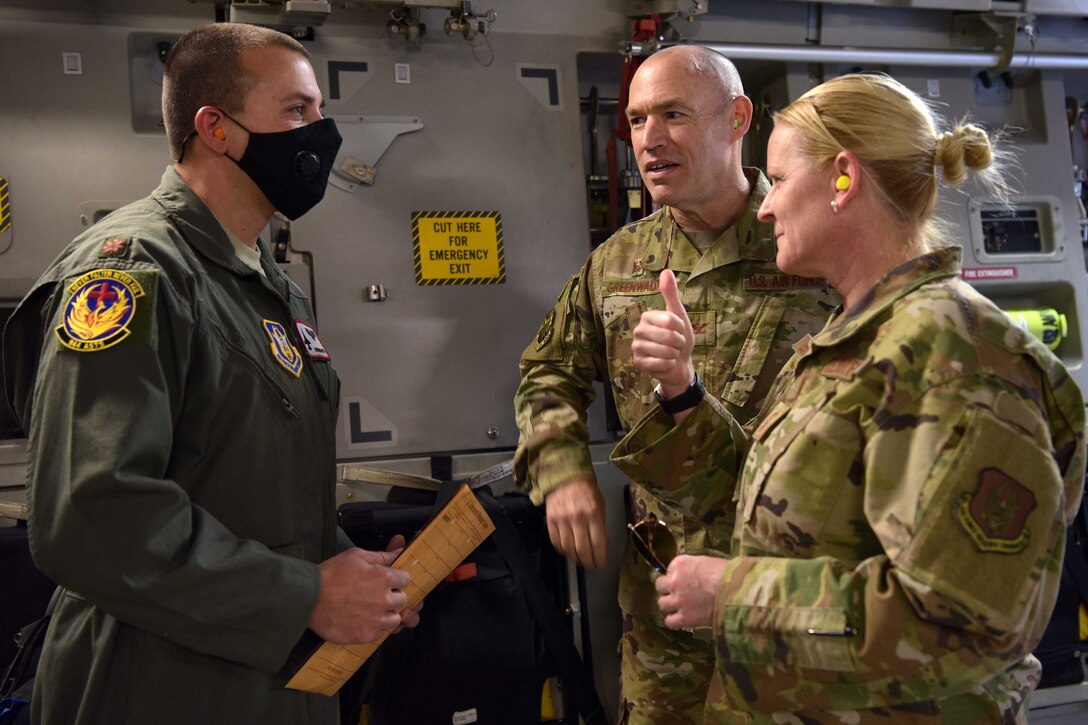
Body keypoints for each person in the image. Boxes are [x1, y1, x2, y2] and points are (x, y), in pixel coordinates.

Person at [613, 72, 1087, 722]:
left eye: (779, 180)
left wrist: (733, 594)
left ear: (843, 178)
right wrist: (684, 391)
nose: (765, 207)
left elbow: (964, 622)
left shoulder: (949, 353)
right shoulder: (859, 334)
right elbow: (795, 509)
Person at [1, 23, 418, 725]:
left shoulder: (268, 282)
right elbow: (91, 513)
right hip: (155, 685)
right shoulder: (134, 271)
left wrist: (358, 577)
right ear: (215, 129)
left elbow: (250, 491)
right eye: (297, 111)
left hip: (268, 678)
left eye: (318, 109)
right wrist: (302, 593)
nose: (322, 133)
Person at [513, 45, 838, 722]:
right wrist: (563, 468)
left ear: (737, 118)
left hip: (794, 592)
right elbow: (549, 368)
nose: (649, 140)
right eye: (635, 120)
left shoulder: (810, 245)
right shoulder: (619, 263)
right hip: (666, 607)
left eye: (672, 114)